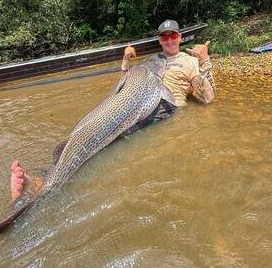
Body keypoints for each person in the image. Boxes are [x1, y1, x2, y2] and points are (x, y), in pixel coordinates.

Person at [11, 20, 216, 201]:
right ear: (160, 40)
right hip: (136, 101)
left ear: (180, 37)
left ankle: (45, 187)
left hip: (164, 108)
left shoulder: (189, 61)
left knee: (110, 143)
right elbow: (124, 82)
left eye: (173, 36)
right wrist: (126, 61)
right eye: (164, 37)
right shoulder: (153, 59)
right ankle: (42, 180)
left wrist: (205, 61)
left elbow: (207, 99)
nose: (169, 40)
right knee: (89, 131)